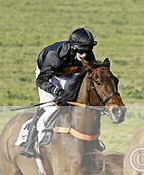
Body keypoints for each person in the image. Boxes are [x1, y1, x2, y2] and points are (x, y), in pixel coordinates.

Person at [20, 27, 96, 158]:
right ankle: (29, 142)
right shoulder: (55, 55)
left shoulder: (87, 55)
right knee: (49, 108)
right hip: (48, 75)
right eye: (81, 51)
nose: (84, 55)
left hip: (69, 74)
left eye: (87, 51)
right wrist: (56, 91)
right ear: (72, 47)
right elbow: (41, 80)